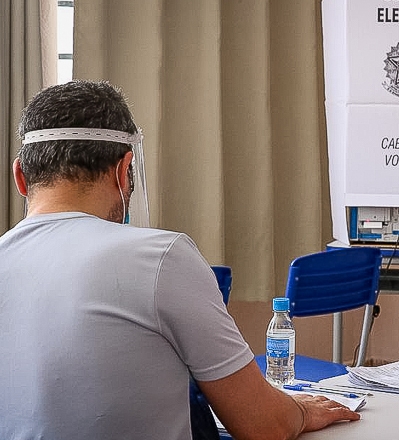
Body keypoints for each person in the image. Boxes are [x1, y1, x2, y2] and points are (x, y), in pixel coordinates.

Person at [0, 80, 360, 440]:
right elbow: (264, 425)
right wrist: (300, 410)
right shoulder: (160, 257)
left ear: (20, 176)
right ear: (125, 170)